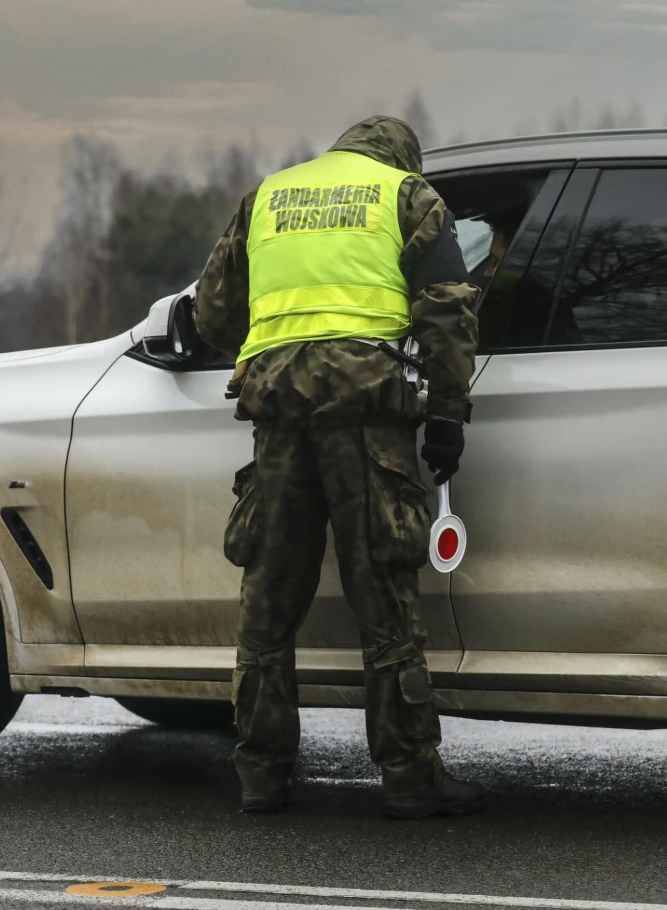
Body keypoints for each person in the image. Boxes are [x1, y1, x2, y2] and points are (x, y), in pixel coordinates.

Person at [194, 116, 484, 819]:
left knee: (267, 607)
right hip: (367, 421)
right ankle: (410, 777)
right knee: (385, 601)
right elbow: (447, 309)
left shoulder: (269, 197)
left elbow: (212, 314)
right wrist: (447, 414)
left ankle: (261, 776)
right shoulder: (406, 196)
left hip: (280, 420)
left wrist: (276, 345)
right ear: (400, 156)